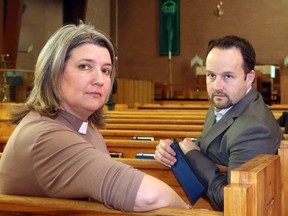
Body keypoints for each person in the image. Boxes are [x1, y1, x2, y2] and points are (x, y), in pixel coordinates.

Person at [0, 23, 190, 212]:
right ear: (54, 73)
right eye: (84, 66)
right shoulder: (46, 136)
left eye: (106, 70)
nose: (99, 80)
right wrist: (186, 210)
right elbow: (148, 196)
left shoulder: (84, 127)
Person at [154, 35, 283, 210]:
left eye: (228, 76)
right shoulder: (225, 103)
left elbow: (231, 199)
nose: (217, 86)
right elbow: (211, 145)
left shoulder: (255, 129)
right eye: (211, 75)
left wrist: (192, 155)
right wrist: (173, 150)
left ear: (249, 78)